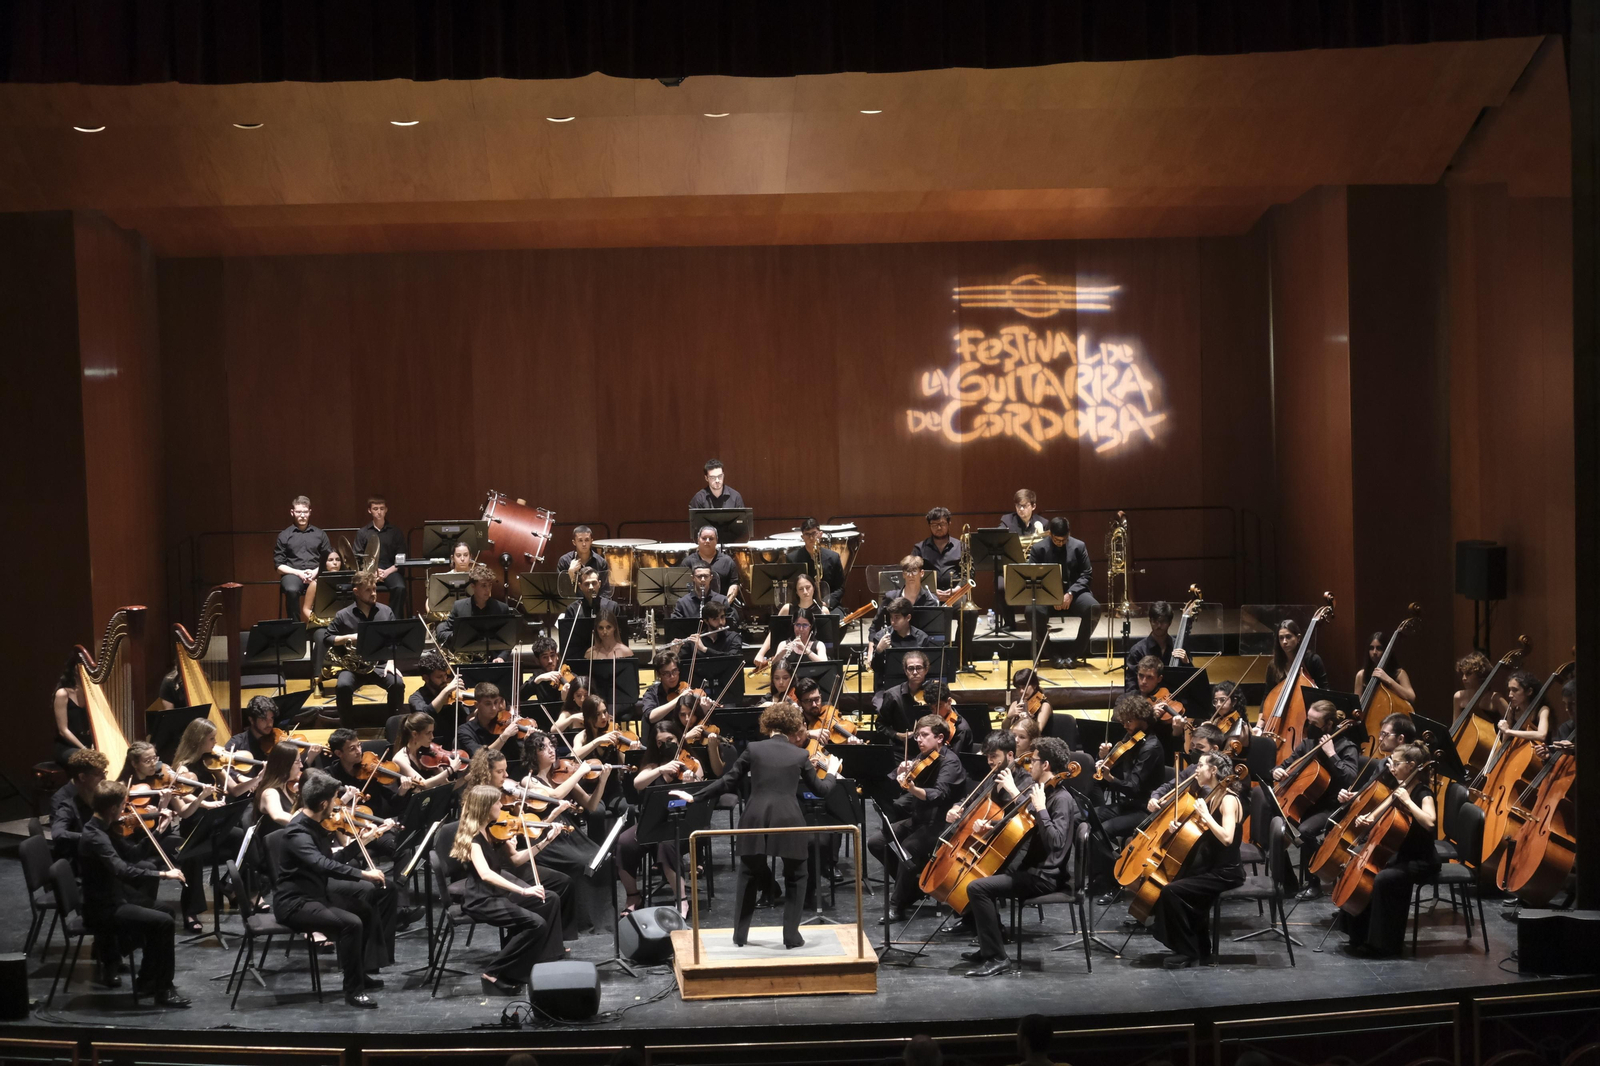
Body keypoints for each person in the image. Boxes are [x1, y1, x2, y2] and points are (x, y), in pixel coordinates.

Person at [671, 701, 828, 948]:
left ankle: (740, 936)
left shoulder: (753, 749)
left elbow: (727, 781)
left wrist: (695, 796)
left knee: (748, 874)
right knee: (797, 875)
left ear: (768, 725)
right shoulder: (800, 754)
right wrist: (831, 773)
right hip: (789, 818)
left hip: (755, 817)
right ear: (793, 727)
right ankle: (791, 936)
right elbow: (821, 790)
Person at [270, 769, 394, 1008]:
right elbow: (322, 864)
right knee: (352, 923)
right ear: (324, 803)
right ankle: (353, 991)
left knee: (365, 911)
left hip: (316, 894)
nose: (338, 804)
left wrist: (365, 841)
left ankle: (359, 974)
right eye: (335, 799)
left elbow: (335, 861)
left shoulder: (316, 825)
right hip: (294, 903)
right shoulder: (298, 832)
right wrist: (363, 874)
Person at [961, 736, 1080, 976]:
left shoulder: (1061, 799)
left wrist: (1041, 808)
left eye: (1034, 761)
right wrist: (991, 825)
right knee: (980, 876)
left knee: (978, 888)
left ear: (1045, 765)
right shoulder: (1041, 791)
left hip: (1045, 877)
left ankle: (996, 957)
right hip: (1030, 869)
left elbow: (1057, 843)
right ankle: (988, 947)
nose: (1030, 765)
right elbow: (1023, 822)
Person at [78, 781, 190, 1006]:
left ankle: (147, 980)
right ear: (113, 808)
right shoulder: (95, 836)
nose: (125, 810)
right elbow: (122, 870)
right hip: (103, 907)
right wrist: (164, 875)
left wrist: (157, 830)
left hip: (116, 895)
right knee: (164, 923)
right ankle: (163, 989)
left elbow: (132, 854)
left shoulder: (105, 827)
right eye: (123, 805)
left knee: (165, 911)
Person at [451, 784, 566, 995]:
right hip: (481, 900)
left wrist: (546, 841)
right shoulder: (474, 839)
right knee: (536, 924)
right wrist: (523, 890)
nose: (501, 805)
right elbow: (486, 874)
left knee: (549, 899)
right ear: (485, 807)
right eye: (496, 802)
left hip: (497, 895)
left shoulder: (491, 832)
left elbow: (516, 859)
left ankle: (544, 957)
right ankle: (494, 971)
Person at [1149, 750, 1246, 968]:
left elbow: (1228, 838)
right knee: (1177, 885)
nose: (1196, 769)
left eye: (1201, 765)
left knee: (1171, 892)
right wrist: (1177, 828)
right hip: (1211, 867)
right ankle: (1201, 950)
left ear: (1213, 770)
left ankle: (1187, 951)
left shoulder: (1228, 799)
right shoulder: (1212, 796)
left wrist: (1206, 815)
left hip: (1226, 872)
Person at [1340, 743, 1439, 957]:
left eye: (1396, 763)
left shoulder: (1423, 792)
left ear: (1411, 765)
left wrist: (1407, 802)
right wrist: (1366, 818)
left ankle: (1384, 945)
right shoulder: (1400, 786)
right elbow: (1377, 813)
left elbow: (1430, 823)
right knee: (1357, 864)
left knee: (1384, 879)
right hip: (1399, 853)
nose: (1391, 766)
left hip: (1420, 859)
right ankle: (1357, 934)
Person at [867, 714, 966, 922]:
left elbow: (938, 795)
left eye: (924, 735)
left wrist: (912, 788)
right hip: (919, 819)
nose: (919, 740)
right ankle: (912, 889)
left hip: (941, 824)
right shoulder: (923, 756)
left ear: (939, 738)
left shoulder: (950, 763)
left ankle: (898, 905)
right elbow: (896, 779)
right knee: (876, 842)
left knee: (908, 849)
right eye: (917, 736)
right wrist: (901, 771)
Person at [1271, 699, 1361, 899]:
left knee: (1305, 831)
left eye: (1314, 723)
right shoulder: (1309, 744)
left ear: (1329, 724)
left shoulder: (1347, 747)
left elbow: (1350, 778)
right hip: (1309, 803)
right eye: (1308, 721)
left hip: (1334, 805)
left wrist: (1331, 754)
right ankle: (1289, 883)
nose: (1309, 727)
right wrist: (1278, 771)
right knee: (1278, 826)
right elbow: (1283, 765)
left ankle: (1318, 879)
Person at [1088, 695, 1166, 898]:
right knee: (1089, 817)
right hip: (1130, 804)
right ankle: (1097, 876)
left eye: (1129, 721)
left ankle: (1113, 881)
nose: (1125, 725)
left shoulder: (1151, 748)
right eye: (1123, 721)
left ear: (1143, 718)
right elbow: (1111, 773)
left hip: (1146, 809)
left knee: (1103, 831)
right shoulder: (1131, 740)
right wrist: (1104, 758)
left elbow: (1133, 787)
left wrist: (1111, 778)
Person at [324, 572, 407, 721]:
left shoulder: (386, 611)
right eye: (368, 590)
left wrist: (391, 662)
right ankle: (347, 729)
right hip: (354, 667)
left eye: (374, 589)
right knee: (343, 686)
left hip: (381, 664)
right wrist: (350, 637)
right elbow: (327, 638)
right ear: (356, 592)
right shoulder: (343, 615)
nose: (373, 593)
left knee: (397, 684)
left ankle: (395, 726)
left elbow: (396, 640)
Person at [1025, 516, 1098, 667]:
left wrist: (1070, 594)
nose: (1060, 543)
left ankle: (1074, 653)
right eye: (1057, 540)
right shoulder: (1038, 549)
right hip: (1046, 595)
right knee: (1030, 611)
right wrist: (1053, 597)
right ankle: (1051, 654)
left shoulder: (1079, 546)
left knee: (1093, 608)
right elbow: (1032, 576)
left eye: (1064, 540)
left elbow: (1086, 574)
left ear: (1069, 534)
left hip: (1073, 593)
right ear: (1050, 534)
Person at [436, 564, 513, 662]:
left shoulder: (501, 608)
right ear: (473, 586)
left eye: (490, 585)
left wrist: (501, 657)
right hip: (467, 661)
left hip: (493, 660)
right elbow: (442, 633)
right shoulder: (459, 607)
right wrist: (456, 637)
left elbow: (508, 638)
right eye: (483, 586)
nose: (488, 590)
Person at [274, 496, 332, 620]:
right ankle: (296, 628)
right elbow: (279, 566)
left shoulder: (320, 534)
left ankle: (321, 627)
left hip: (317, 573)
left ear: (310, 512)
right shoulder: (284, 535)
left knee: (331, 587)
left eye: (305, 512)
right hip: (293, 574)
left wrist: (316, 572)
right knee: (291, 589)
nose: (302, 515)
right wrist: (299, 573)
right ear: (292, 512)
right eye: (299, 512)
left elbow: (329, 559)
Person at [997, 490, 1047, 629]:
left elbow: (1048, 549)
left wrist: (1041, 535)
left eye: (1025, 506)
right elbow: (999, 539)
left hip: (1034, 567)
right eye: (1018, 506)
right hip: (1012, 566)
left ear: (1033, 506)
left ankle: (1035, 620)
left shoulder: (1043, 523)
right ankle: (1009, 623)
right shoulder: (1006, 521)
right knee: (1000, 586)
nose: (1021, 509)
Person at [352, 495, 408, 616]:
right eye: (375, 508)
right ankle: (364, 619)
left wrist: (386, 572)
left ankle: (393, 620)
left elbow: (401, 558)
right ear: (369, 510)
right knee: (356, 589)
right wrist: (373, 572)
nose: (379, 512)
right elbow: (357, 558)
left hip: (390, 570)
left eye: (382, 508)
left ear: (386, 510)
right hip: (368, 572)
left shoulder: (395, 532)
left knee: (400, 588)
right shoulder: (363, 533)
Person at [50, 747, 109, 861]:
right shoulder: (62, 799)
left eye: (104, 772)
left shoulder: (94, 792)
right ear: (82, 777)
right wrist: (90, 837)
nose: (104, 778)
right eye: (98, 774)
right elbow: (58, 834)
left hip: (98, 852)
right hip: (80, 859)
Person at [455, 682, 524, 775]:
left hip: (511, 774)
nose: (494, 708)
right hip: (483, 779)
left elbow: (519, 756)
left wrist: (527, 739)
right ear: (476, 705)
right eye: (488, 704)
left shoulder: (505, 724)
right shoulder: (465, 731)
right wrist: (503, 737)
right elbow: (482, 756)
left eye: (496, 702)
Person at [301, 547, 346, 687]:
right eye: (330, 560)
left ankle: (353, 673)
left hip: (341, 624)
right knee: (322, 636)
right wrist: (319, 621)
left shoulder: (349, 583)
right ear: (324, 563)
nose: (334, 563)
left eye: (337, 560)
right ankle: (317, 677)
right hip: (319, 625)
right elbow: (306, 609)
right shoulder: (315, 584)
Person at [1123, 601, 1190, 688]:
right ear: (1150, 621)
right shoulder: (1138, 651)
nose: (1158, 625)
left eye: (1163, 622)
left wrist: (1187, 663)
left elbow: (1191, 682)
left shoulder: (1180, 647)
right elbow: (1131, 684)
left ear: (1170, 623)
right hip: (1145, 699)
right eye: (1155, 621)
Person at [784, 518, 846, 612]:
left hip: (827, 604)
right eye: (807, 534)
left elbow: (840, 588)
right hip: (802, 604)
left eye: (814, 533)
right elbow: (791, 587)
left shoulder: (833, 557)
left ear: (820, 534)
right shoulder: (792, 559)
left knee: (837, 622)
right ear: (802, 537)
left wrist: (826, 602)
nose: (811, 538)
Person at [870, 558, 940, 639]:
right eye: (907, 571)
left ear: (922, 573)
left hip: (920, 646)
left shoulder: (931, 600)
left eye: (914, 571)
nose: (910, 575)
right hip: (895, 645)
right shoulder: (891, 597)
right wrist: (872, 647)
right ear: (903, 574)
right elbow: (875, 626)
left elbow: (936, 631)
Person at [874, 649, 931, 743]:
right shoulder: (892, 695)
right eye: (911, 668)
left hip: (930, 748)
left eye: (919, 668)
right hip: (901, 749)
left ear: (926, 669)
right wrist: (897, 735)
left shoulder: (934, 693)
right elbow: (880, 725)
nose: (915, 672)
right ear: (905, 671)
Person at [867, 596, 930, 675]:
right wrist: (879, 650)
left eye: (897, 618)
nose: (893, 622)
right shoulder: (880, 636)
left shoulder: (922, 638)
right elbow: (876, 669)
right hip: (889, 682)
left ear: (908, 618)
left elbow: (926, 668)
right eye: (891, 618)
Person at [1264, 618, 1330, 691]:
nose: (1284, 641)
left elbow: (1324, 690)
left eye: (1288, 637)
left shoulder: (1313, 660)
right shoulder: (1273, 665)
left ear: (1298, 638)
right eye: (1281, 638)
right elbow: (1267, 694)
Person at [52, 658, 92, 769]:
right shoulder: (63, 694)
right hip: (67, 747)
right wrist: (84, 749)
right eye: (81, 665)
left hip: (87, 745)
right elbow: (63, 731)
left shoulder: (91, 693)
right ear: (73, 669)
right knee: (89, 761)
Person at [1356, 631, 1416, 705]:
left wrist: (1388, 680)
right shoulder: (1361, 675)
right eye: (1371, 648)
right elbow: (1357, 706)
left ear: (1386, 650)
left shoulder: (1399, 673)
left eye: (1379, 648)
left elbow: (1411, 697)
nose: (1374, 652)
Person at [675, 601, 742, 666]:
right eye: (715, 619)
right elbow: (681, 665)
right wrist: (675, 653)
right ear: (706, 621)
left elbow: (734, 658)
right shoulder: (695, 642)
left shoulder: (734, 637)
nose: (721, 622)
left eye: (722, 617)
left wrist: (704, 649)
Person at [754, 612, 826, 672]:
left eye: (805, 625)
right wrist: (781, 653)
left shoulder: (819, 645)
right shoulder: (783, 644)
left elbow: (825, 664)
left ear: (811, 627)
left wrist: (805, 649)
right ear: (793, 626)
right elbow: (774, 668)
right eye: (797, 625)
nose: (801, 629)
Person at [1452, 650, 1510, 724]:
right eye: (1462, 674)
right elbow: (1455, 724)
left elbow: (1511, 723)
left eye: (1468, 674)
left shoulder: (1496, 699)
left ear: (1480, 674)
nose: (1464, 678)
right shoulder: (1459, 696)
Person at [671, 563, 737, 625]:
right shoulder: (682, 603)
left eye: (706, 576)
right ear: (693, 578)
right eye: (699, 576)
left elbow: (731, 624)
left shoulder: (721, 600)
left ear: (711, 577)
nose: (703, 580)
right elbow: (674, 626)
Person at [914, 507, 962, 591]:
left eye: (942, 524)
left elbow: (969, 574)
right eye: (934, 525)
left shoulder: (961, 546)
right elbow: (913, 573)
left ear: (949, 523)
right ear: (929, 526)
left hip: (957, 594)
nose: (939, 528)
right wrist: (931, 591)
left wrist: (957, 590)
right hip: (928, 596)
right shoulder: (919, 548)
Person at [226, 695, 283, 764]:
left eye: (271, 718)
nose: (270, 724)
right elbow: (224, 766)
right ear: (252, 720)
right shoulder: (237, 743)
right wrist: (239, 775)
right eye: (263, 719)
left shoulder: (276, 740)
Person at [409, 650, 467, 718]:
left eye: (445, 675)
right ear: (426, 678)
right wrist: (445, 691)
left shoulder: (453, 693)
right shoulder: (416, 698)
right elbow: (426, 716)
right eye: (439, 677)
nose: (445, 679)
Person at [557, 526, 610, 597]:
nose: (584, 544)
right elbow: (560, 591)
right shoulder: (564, 561)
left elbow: (606, 591)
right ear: (574, 542)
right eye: (580, 540)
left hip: (595, 603)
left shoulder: (601, 562)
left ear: (591, 541)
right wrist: (570, 574)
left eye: (587, 540)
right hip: (572, 604)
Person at [1498, 670, 1550, 742]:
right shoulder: (1512, 711)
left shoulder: (1543, 710)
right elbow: (1505, 742)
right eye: (1509, 690)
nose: (1510, 695)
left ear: (1529, 691)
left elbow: (1541, 735)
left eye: (1515, 690)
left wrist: (1508, 731)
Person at [922, 679, 973, 753]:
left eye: (939, 706)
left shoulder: (961, 729)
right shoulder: (933, 721)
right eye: (932, 708)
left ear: (949, 701)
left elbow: (954, 758)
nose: (935, 713)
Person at [1001, 668, 1050, 733]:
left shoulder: (1044, 705)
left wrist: (1029, 721)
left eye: (1024, 687)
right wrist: (1009, 717)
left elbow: (1038, 732)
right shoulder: (1016, 704)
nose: (1021, 691)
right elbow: (1004, 728)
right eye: (1018, 687)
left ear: (1034, 685)